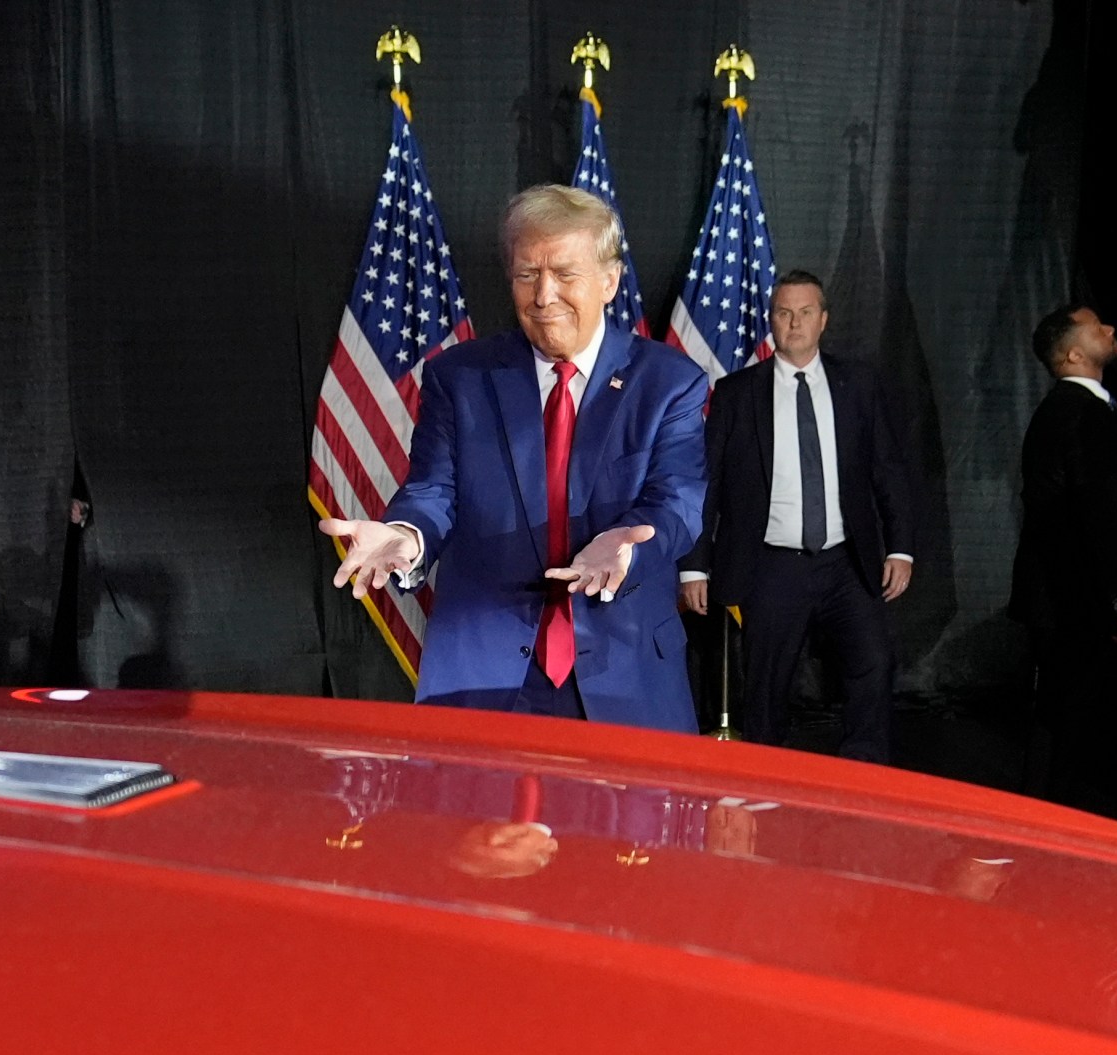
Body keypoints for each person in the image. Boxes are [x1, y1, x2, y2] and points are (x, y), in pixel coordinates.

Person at [319, 185, 707, 731]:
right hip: (484, 674)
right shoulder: (461, 377)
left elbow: (678, 502)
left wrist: (632, 545)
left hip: (627, 671)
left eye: (564, 273)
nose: (544, 295)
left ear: (609, 281)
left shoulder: (668, 383)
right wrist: (406, 535)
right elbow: (434, 490)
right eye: (527, 274)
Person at [678, 270, 916, 763]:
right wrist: (695, 564)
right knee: (767, 683)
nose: (795, 323)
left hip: (847, 561)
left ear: (823, 319)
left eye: (805, 312)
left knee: (873, 662)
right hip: (771, 565)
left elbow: (887, 471)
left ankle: (863, 776)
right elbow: (709, 484)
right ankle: (766, 783)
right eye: (784, 313)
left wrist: (900, 546)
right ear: (771, 320)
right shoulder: (737, 393)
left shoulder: (858, 386)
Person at [1012, 303, 1117, 807]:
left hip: (1067, 597)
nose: (1111, 329)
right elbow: (1098, 514)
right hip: (1078, 602)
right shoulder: (1080, 414)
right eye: (1097, 327)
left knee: (1061, 718)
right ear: (1073, 353)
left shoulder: (1074, 411)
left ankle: (1044, 818)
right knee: (1070, 720)